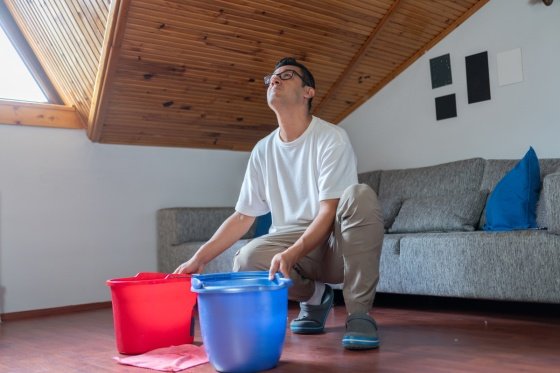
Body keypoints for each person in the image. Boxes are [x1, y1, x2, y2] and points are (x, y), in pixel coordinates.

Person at [174, 57, 384, 350]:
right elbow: (242, 217)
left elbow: (328, 211)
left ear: (308, 91)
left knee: (360, 195)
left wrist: (293, 252)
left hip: (335, 244)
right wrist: (199, 258)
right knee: (246, 259)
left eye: (285, 75)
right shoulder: (263, 150)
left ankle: (359, 315)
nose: (274, 80)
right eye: (271, 78)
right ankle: (315, 298)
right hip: (291, 239)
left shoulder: (331, 138)